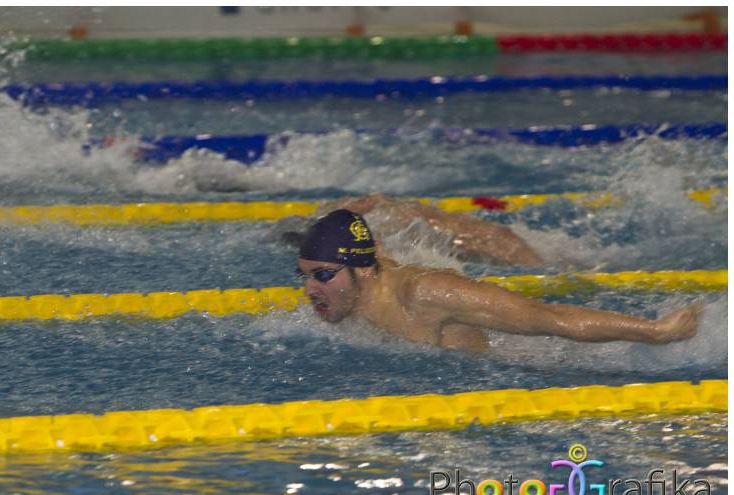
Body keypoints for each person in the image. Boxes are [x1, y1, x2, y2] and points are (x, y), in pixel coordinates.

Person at [296, 209, 700, 352]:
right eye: (306, 276)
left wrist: (656, 332)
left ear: (363, 270)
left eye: (323, 276)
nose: (310, 289)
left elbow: (548, 317)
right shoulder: (355, 286)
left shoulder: (426, 293)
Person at [285, 192, 544, 267]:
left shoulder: (348, 219)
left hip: (486, 240)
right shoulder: (352, 212)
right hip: (492, 238)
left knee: (502, 241)